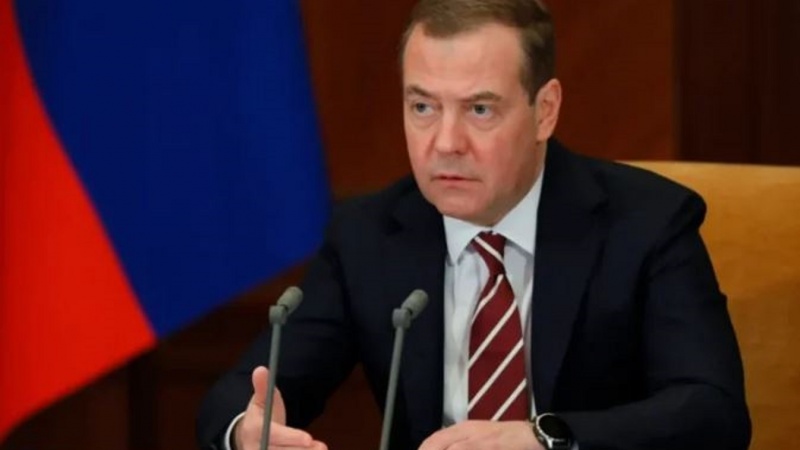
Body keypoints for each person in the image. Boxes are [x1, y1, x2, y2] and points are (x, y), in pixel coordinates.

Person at [196, 0, 751, 449]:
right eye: (423, 107)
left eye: (479, 109)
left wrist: (545, 438)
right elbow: (245, 393)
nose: (445, 143)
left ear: (545, 110)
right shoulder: (368, 234)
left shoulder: (647, 223)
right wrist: (247, 430)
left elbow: (712, 411)